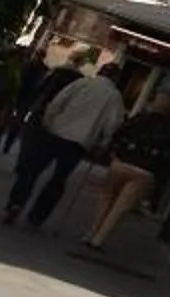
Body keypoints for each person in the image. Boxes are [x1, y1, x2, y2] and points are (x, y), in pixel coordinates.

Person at [6, 61, 124, 231]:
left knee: (33, 170)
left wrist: (49, 122)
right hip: (78, 142)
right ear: (116, 78)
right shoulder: (114, 96)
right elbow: (113, 123)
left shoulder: (81, 83)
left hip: (56, 132)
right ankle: (37, 216)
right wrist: (103, 142)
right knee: (59, 179)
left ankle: (16, 203)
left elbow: (58, 102)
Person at [76, 88, 170, 251]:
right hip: (144, 172)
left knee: (106, 197)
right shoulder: (169, 130)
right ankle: (99, 240)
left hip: (121, 164)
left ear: (153, 103)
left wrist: (114, 156)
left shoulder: (139, 119)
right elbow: (167, 157)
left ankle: (91, 232)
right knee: (122, 206)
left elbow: (118, 134)